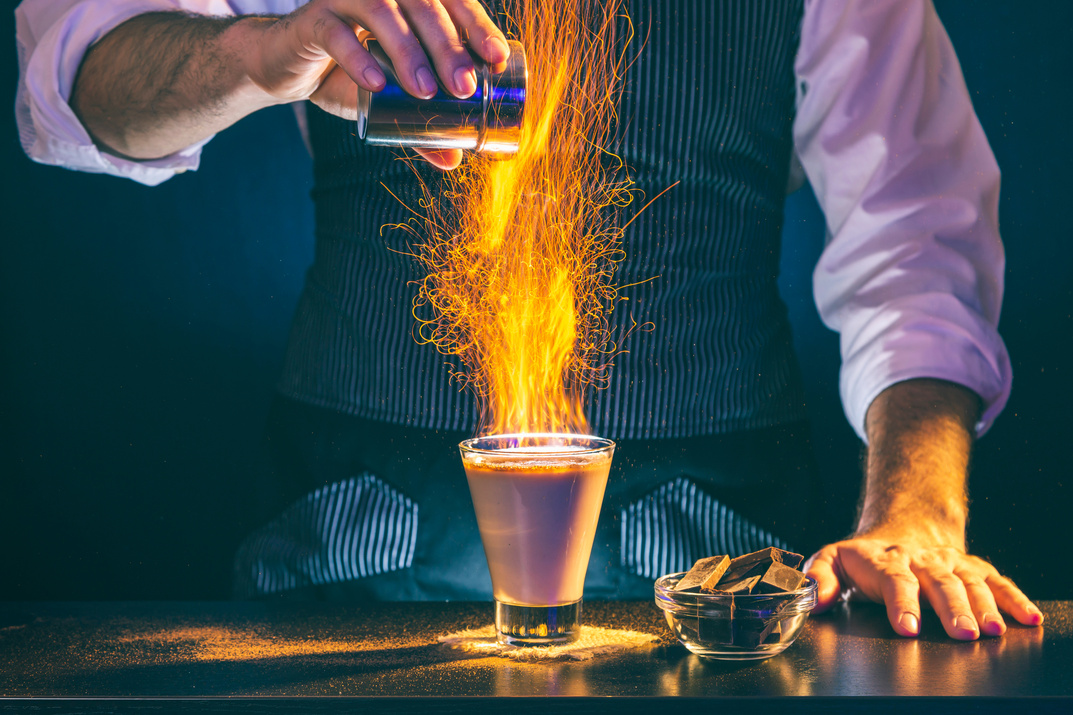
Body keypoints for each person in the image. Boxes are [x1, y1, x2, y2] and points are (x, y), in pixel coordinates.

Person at [14, 0, 1043, 640]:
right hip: (345, 562)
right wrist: (257, 48)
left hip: (713, 570)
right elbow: (80, 82)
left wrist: (915, 513)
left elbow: (914, 238)